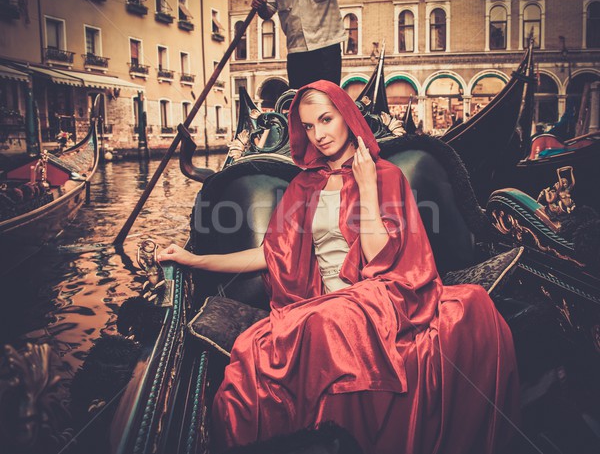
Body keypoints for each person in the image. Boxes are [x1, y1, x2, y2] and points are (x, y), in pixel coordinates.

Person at [158, 80, 520, 454]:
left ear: (347, 117)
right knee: (253, 351)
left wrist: (366, 186)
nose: (319, 134)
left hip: (382, 296)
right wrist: (192, 259)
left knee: (327, 323)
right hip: (321, 304)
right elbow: (270, 255)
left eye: (326, 120)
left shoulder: (384, 176)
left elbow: (381, 256)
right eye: (309, 126)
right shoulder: (303, 186)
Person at [251, 0, 347, 89]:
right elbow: (267, 11)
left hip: (327, 45)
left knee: (328, 98)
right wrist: (260, 6)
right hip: (297, 49)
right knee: (300, 100)